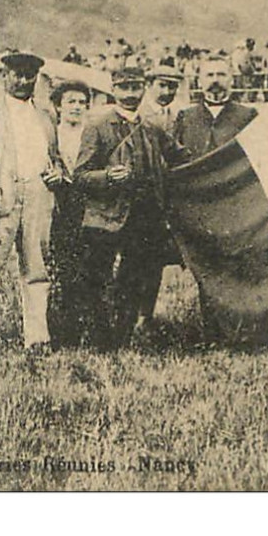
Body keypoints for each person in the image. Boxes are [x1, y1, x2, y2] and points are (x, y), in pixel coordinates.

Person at [0, 52, 62, 359]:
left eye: (29, 75)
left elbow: (54, 157)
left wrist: (57, 173)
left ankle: (37, 338)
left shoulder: (46, 115)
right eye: (16, 74)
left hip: (38, 196)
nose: (22, 81)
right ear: (4, 75)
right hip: (1, 199)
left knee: (36, 268)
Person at [73, 66, 176, 351]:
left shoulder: (152, 127)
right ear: (114, 90)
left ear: (144, 88)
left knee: (133, 280)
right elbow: (80, 175)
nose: (131, 94)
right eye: (124, 88)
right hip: (105, 217)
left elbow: (178, 156)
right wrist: (107, 176)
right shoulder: (98, 125)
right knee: (97, 281)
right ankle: (100, 341)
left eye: (136, 87)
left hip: (143, 218)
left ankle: (122, 339)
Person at [172, 55, 258, 336]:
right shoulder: (186, 117)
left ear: (232, 79)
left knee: (237, 268)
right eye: (209, 75)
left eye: (221, 74)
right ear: (199, 80)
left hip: (237, 209)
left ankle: (242, 330)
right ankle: (213, 332)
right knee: (206, 269)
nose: (215, 80)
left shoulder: (247, 116)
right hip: (199, 209)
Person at [48, 80, 92, 347]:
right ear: (59, 106)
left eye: (81, 103)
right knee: (63, 268)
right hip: (60, 204)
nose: (76, 107)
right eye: (71, 102)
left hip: (88, 204)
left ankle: (90, 328)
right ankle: (63, 331)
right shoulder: (51, 133)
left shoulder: (91, 132)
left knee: (90, 268)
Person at [140, 61, 185, 132]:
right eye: (162, 85)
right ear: (149, 85)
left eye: (172, 87)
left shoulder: (177, 114)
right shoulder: (139, 114)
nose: (166, 92)